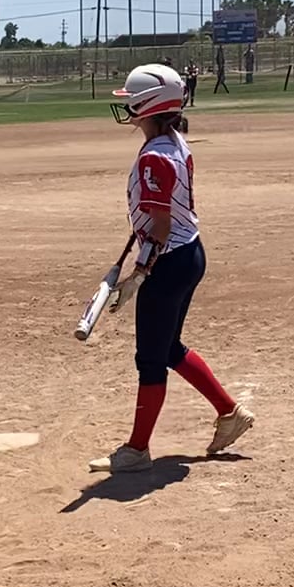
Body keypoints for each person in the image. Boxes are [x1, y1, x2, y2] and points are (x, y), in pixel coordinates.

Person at [90, 64, 254, 474]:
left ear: (147, 106)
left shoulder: (154, 158)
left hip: (168, 262)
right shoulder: (174, 141)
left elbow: (161, 223)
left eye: (132, 101)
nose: (127, 107)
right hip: (188, 253)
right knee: (167, 349)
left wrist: (139, 274)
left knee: (150, 358)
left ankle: (136, 451)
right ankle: (229, 412)